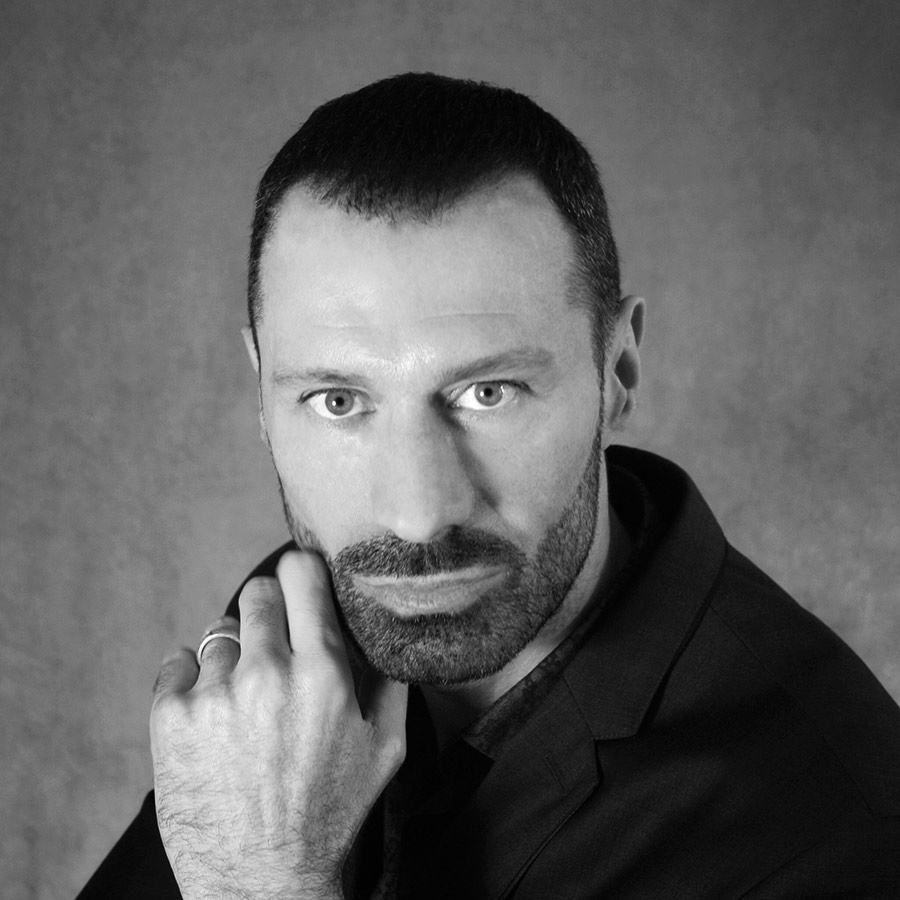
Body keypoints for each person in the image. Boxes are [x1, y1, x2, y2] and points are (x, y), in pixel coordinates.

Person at [78, 72, 900, 900]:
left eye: (487, 393)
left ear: (617, 370)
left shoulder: (839, 834)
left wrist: (263, 882)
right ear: (262, 392)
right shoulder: (295, 638)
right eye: (338, 402)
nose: (416, 517)